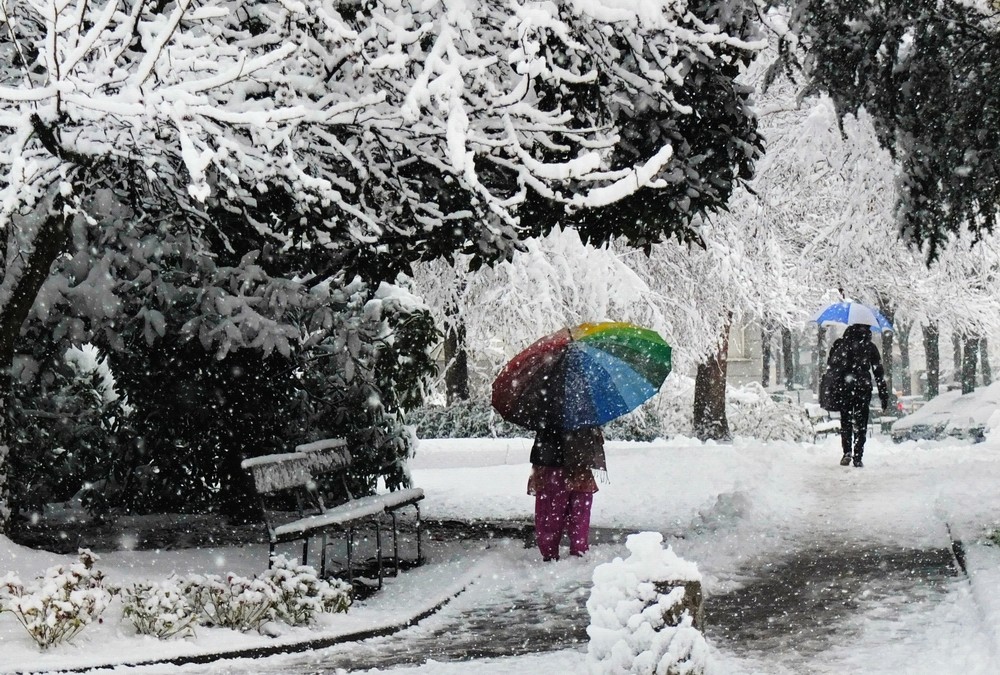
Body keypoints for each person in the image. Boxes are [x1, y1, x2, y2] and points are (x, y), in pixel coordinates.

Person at [527, 425, 607, 561]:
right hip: (578, 460)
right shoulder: (586, 410)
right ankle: (578, 551)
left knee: (550, 512)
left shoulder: (547, 412)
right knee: (579, 511)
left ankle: (551, 553)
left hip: (554, 461)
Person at [827, 323, 889, 468]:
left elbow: (831, 366)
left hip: (845, 388)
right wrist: (883, 394)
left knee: (846, 421)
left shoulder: (841, 344)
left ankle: (847, 451)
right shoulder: (870, 347)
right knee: (861, 423)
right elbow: (878, 372)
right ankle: (858, 455)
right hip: (863, 387)